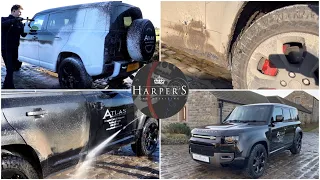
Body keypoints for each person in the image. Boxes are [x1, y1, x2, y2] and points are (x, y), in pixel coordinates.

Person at [1, 4, 27, 89]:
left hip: (15, 49)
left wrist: (29, 29)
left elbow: (23, 34)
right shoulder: (4, 19)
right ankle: (10, 88)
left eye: (21, 12)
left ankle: (5, 86)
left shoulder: (20, 23)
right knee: (9, 69)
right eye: (19, 12)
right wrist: (14, 21)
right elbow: (2, 25)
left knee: (12, 69)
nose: (20, 14)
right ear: (14, 11)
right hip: (6, 49)